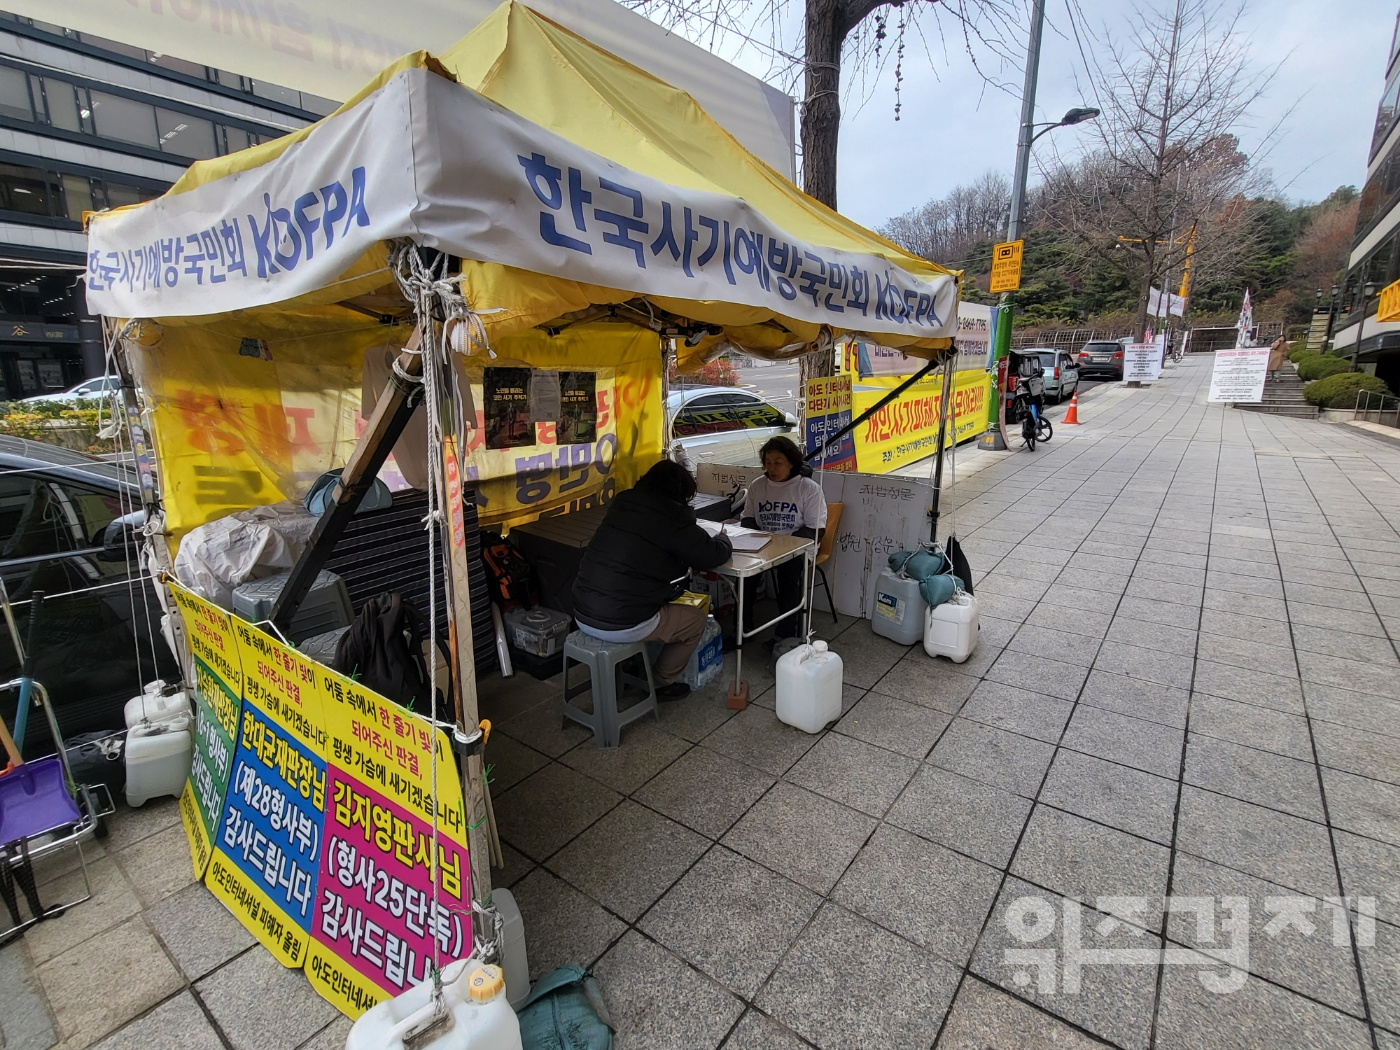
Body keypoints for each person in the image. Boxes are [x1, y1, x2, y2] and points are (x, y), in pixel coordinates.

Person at [572, 460, 732, 699]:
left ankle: (631, 665)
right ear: (680, 493)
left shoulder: (622, 504)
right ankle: (659, 683)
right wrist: (724, 539)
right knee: (696, 619)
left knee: (649, 601)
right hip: (621, 621)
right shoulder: (673, 516)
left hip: (582, 611)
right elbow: (711, 554)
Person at [740, 435, 828, 648]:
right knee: (743, 574)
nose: (772, 468)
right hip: (763, 545)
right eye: (768, 463)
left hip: (798, 548)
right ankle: (743, 627)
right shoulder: (757, 485)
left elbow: (817, 529)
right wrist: (762, 540)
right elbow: (748, 519)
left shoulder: (808, 488)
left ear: (791, 462)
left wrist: (783, 546)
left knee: (789, 573)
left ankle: (785, 634)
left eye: (778, 463)